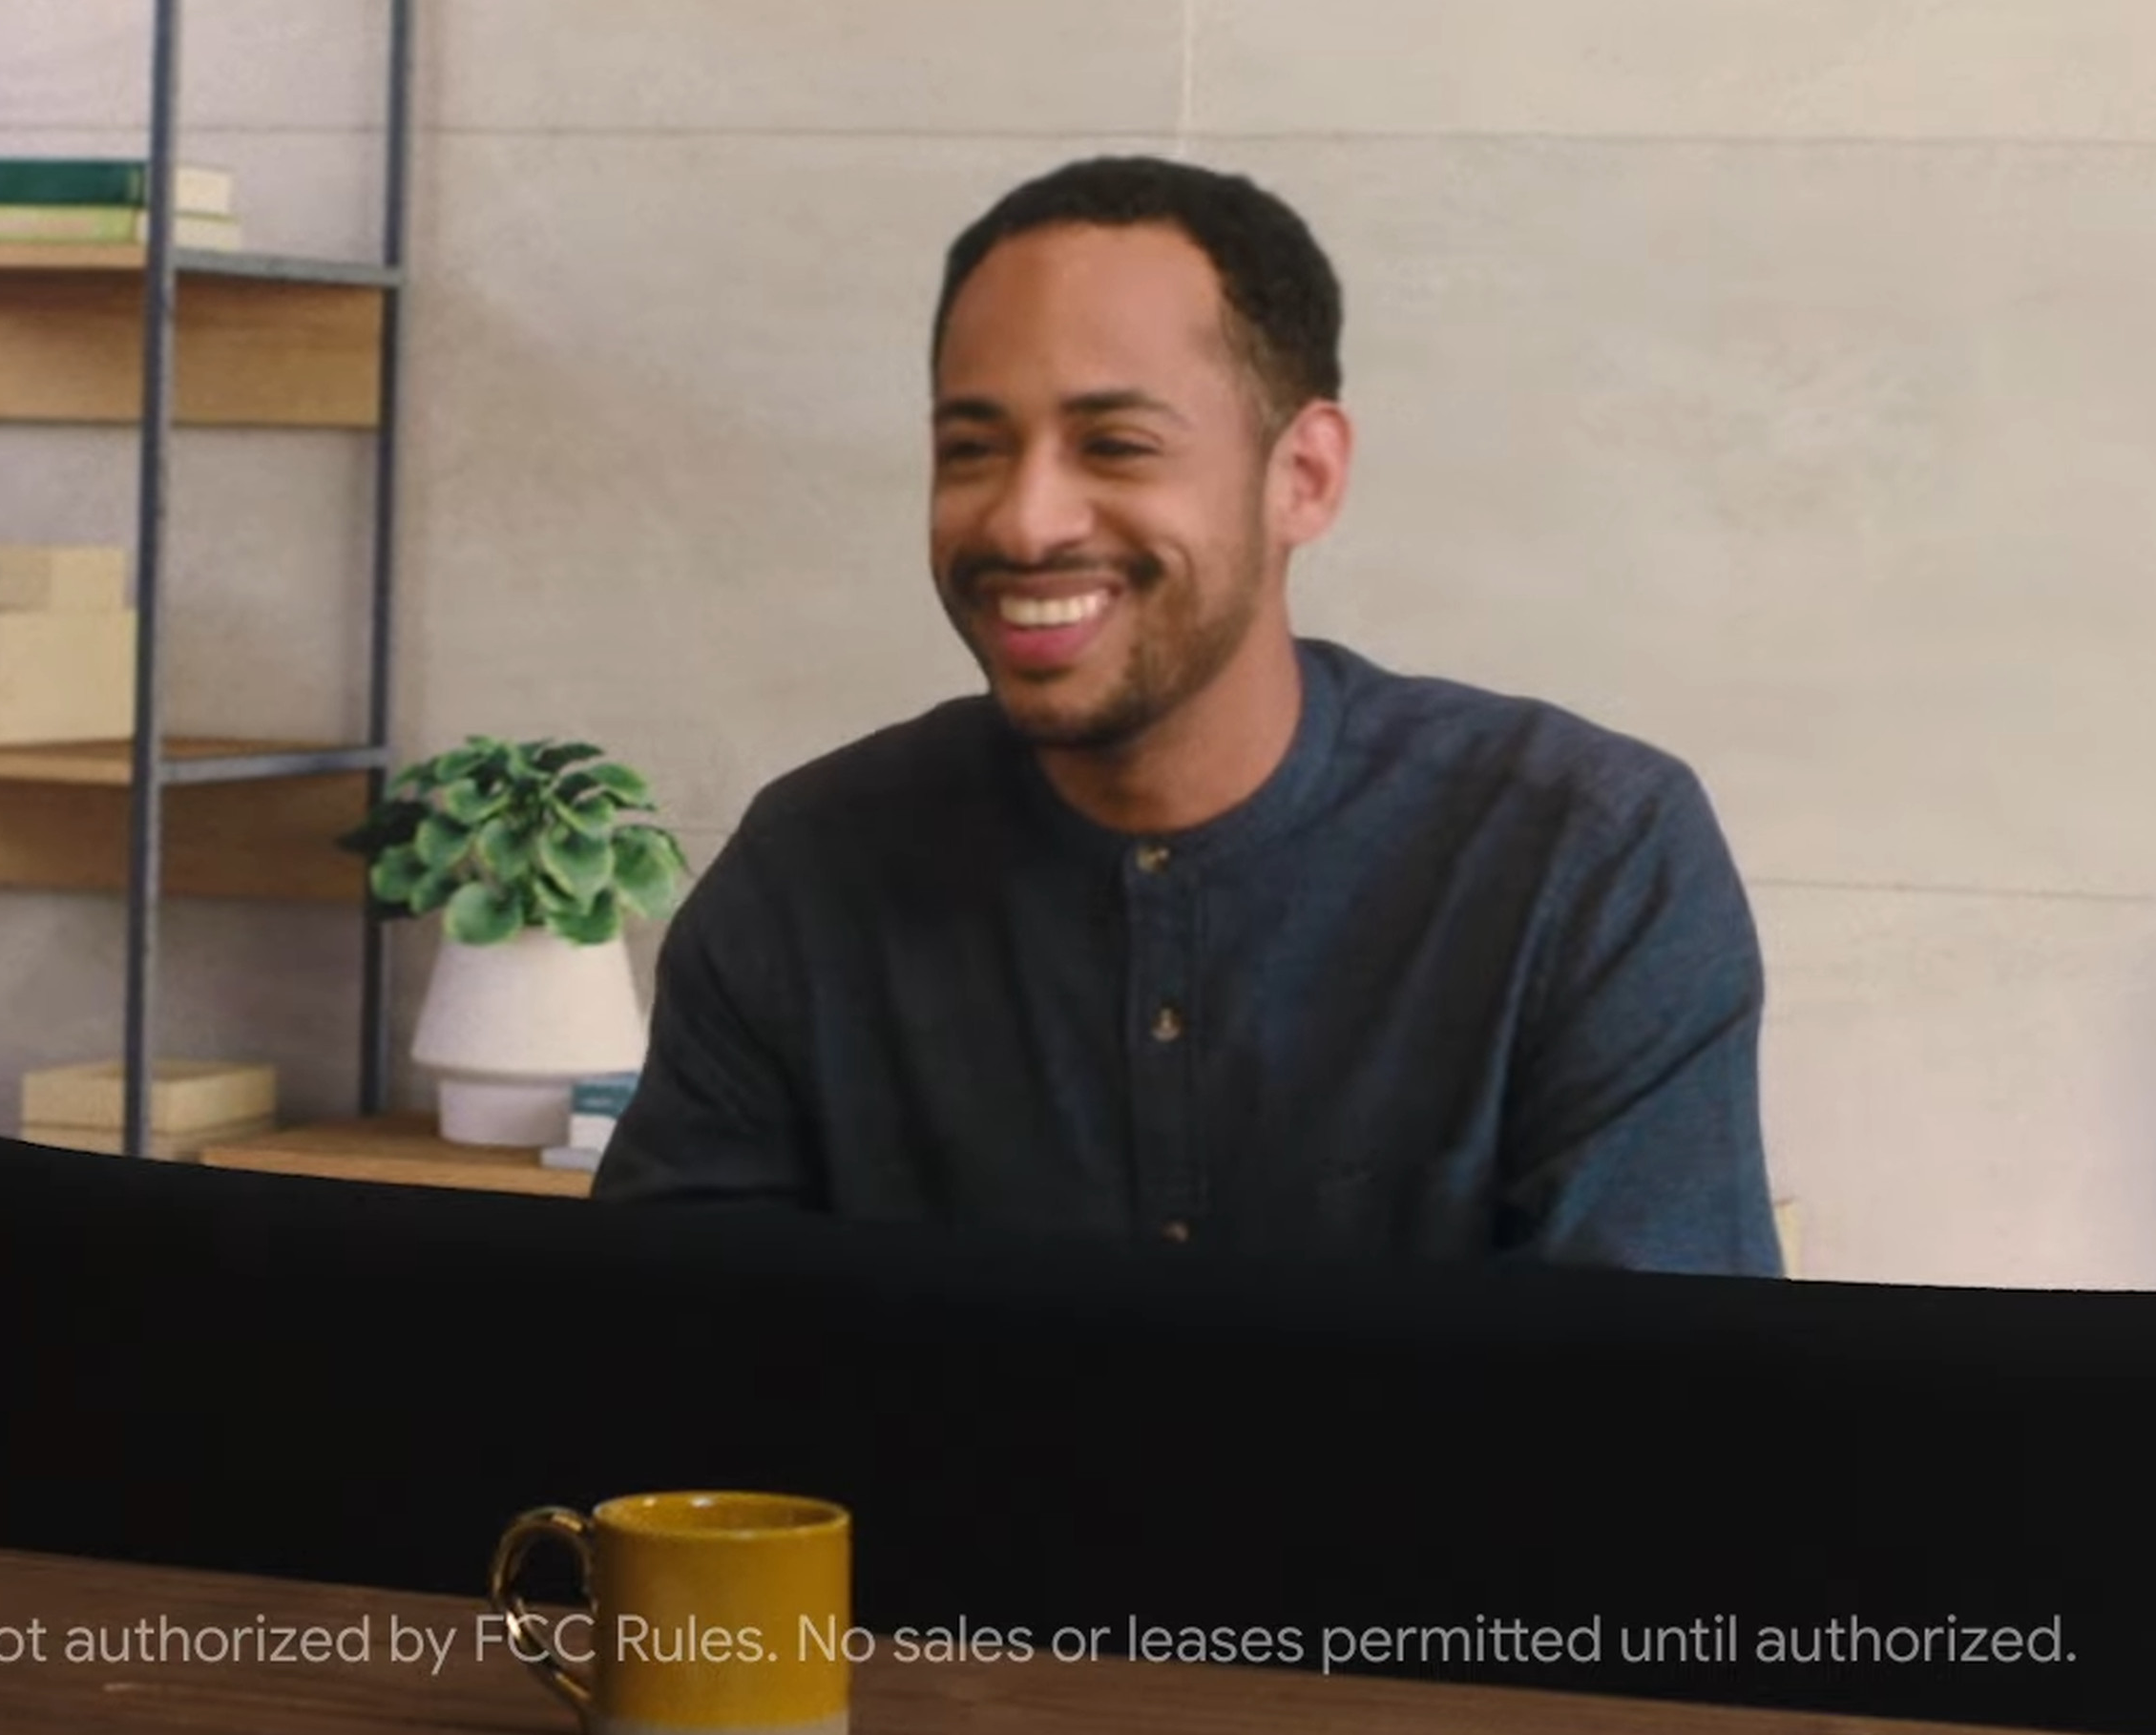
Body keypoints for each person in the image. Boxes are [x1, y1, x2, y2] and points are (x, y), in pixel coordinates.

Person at [593, 156, 1783, 1274]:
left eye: (1116, 444)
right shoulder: (809, 874)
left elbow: (1665, 1428)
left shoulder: (1583, 857)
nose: (1024, 521)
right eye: (972, 449)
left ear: (1302, 477)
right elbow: (675, 1386)